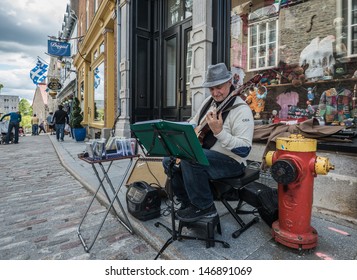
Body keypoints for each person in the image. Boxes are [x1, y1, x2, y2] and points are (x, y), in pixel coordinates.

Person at [163, 63, 255, 222]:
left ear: (229, 83)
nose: (215, 93)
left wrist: (220, 132)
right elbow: (194, 122)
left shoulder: (241, 110)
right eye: (211, 88)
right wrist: (178, 129)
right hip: (207, 154)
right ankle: (187, 203)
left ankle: (205, 207)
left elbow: (244, 150)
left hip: (232, 161)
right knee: (169, 160)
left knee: (191, 157)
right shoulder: (209, 102)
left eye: (218, 87)